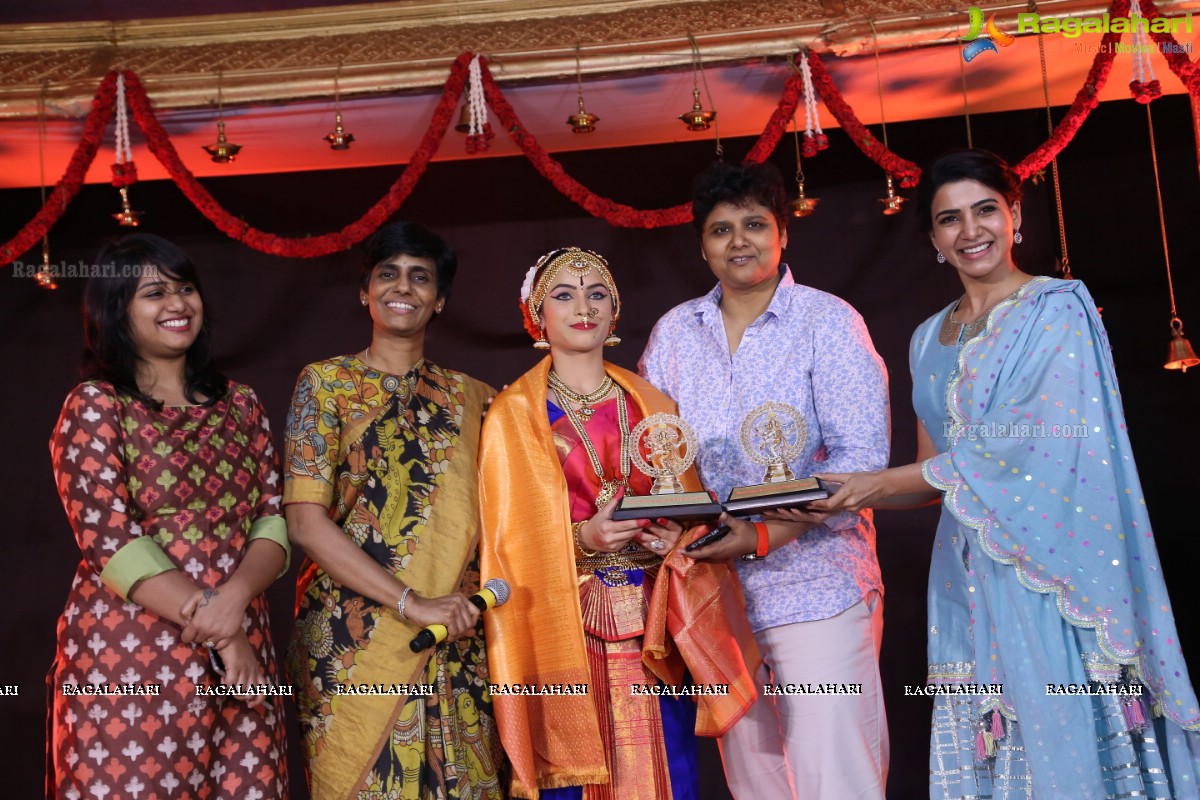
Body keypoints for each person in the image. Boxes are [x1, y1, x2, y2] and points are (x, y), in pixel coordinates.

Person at [811, 148, 1200, 799]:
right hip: (965, 575)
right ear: (933, 239)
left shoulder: (1056, 310)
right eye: (950, 219)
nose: (971, 231)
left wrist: (875, 484)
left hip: (1049, 571)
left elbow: (1023, 451)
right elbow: (935, 476)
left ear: (1014, 214)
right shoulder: (926, 337)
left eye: (985, 209)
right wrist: (840, 496)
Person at [639, 161, 891, 799]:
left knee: (836, 778)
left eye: (755, 224)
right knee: (756, 784)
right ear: (702, 245)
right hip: (715, 592)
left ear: (784, 235)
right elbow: (655, 456)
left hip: (817, 583)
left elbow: (861, 460)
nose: (739, 241)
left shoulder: (826, 321)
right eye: (721, 230)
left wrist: (758, 536)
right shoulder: (674, 333)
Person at [479, 246, 758, 800]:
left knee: (668, 765)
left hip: (653, 614)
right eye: (564, 295)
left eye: (597, 293)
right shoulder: (514, 413)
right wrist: (583, 538)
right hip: (563, 616)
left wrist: (679, 540)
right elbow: (506, 541)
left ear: (615, 310)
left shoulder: (651, 401)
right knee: (576, 774)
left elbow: (692, 508)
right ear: (537, 313)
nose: (583, 306)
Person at [47, 233, 290, 798]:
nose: (178, 304)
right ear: (115, 311)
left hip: (243, 654)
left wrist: (233, 609)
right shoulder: (95, 404)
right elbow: (110, 541)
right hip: (133, 657)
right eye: (154, 293)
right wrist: (224, 632)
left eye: (185, 289)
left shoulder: (241, 402)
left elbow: (272, 521)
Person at [283, 221, 505, 799]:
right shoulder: (325, 385)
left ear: (440, 300)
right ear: (365, 291)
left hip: (454, 635)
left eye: (420, 277)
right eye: (388, 274)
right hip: (352, 641)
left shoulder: (478, 400)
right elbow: (305, 522)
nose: (402, 287)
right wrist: (410, 600)